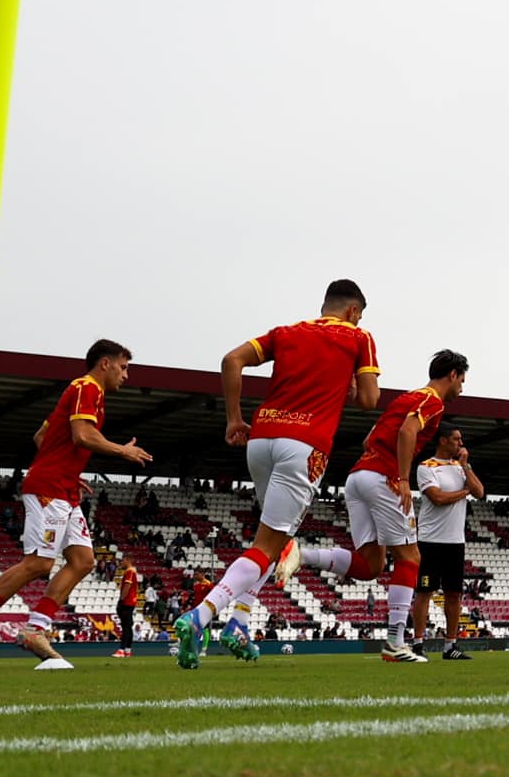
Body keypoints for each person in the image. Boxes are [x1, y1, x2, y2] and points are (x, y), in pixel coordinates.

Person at [173, 280, 380, 668]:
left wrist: (235, 419)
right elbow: (370, 400)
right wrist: (351, 383)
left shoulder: (286, 332)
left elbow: (231, 360)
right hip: (305, 445)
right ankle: (202, 615)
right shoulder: (359, 337)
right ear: (353, 311)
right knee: (270, 543)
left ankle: (239, 621)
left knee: (275, 539)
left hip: (262, 438)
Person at [0, 340, 150, 667]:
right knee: (39, 564)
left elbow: (41, 437)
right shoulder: (86, 388)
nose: (126, 375)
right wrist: (122, 450)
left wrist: (66, 468)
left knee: (84, 560)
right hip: (49, 489)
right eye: (124, 366)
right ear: (105, 363)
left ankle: (36, 629)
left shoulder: (84, 393)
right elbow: (82, 436)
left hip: (63, 488)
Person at [294, 350, 470, 662]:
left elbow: (369, 440)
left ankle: (300, 554)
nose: (462, 389)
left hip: (359, 476)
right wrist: (402, 478)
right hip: (384, 479)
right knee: (410, 557)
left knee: (371, 566)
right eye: (462, 380)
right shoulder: (432, 401)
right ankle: (395, 643)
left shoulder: (403, 399)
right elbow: (407, 432)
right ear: (453, 375)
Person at [412, 423, 484, 659]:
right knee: (424, 591)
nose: (460, 444)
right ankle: (418, 643)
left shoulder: (460, 467)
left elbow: (480, 491)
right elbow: (438, 498)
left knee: (454, 594)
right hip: (430, 541)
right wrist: (464, 493)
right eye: (456, 439)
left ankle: (450, 646)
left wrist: (465, 467)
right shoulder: (426, 467)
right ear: (443, 441)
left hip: (455, 542)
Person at [113, 555, 140, 656]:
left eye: (122, 560)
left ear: (128, 560)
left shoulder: (130, 571)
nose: (121, 562)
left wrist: (121, 600)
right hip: (131, 601)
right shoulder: (132, 571)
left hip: (127, 602)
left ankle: (121, 649)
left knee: (126, 627)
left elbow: (127, 586)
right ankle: (128, 650)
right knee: (128, 626)